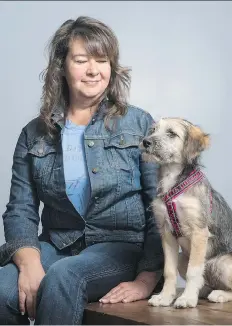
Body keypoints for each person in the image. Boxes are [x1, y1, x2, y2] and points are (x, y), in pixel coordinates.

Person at [0, 16, 163, 325]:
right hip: (56, 245)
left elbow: (158, 207)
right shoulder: (34, 133)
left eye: (102, 60)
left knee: (63, 276)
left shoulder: (139, 124)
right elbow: (20, 209)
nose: (93, 70)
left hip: (120, 248)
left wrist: (147, 277)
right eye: (81, 60)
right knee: (2, 291)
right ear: (62, 66)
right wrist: (30, 262)